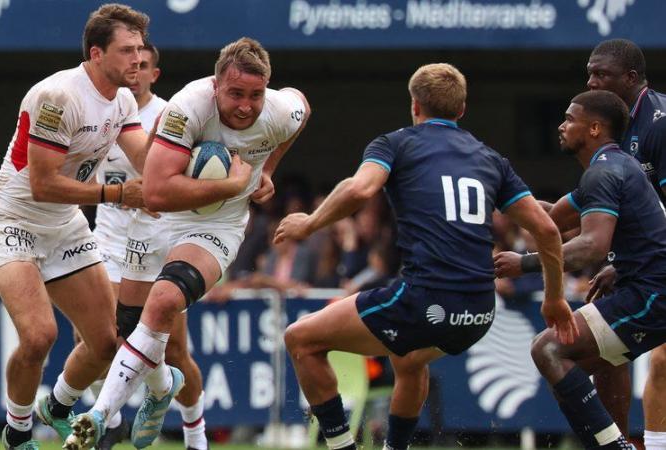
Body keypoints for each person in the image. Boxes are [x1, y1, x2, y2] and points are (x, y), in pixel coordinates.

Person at [272, 63, 570, 450]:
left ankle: (342, 447)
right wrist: (555, 298)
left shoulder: (396, 143)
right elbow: (547, 231)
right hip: (479, 311)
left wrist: (309, 224)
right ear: (462, 110)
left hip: (424, 299)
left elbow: (361, 190)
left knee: (301, 339)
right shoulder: (490, 159)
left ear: (414, 106)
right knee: (410, 361)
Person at [64, 36, 310, 450]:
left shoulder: (280, 111)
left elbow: (302, 110)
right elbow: (157, 193)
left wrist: (268, 168)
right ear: (215, 87)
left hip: (219, 226)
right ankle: (160, 393)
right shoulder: (186, 108)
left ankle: (98, 417)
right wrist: (232, 183)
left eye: (256, 95)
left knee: (165, 314)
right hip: (154, 221)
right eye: (236, 94)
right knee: (120, 331)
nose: (247, 106)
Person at [0, 4, 151, 450]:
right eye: (127, 51)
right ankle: (17, 433)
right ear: (96, 53)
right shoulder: (58, 96)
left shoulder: (124, 100)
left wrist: (218, 178)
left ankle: (58, 405)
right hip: (10, 221)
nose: (138, 60)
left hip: (63, 226)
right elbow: (43, 184)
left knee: (107, 344)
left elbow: (150, 162)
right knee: (39, 336)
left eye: (141, 50)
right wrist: (116, 194)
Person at [494, 90, 666, 450]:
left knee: (550, 350)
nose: (561, 126)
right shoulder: (615, 166)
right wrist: (501, 195)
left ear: (594, 128)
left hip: (652, 293)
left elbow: (592, 246)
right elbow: (552, 217)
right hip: (645, 287)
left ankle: (615, 447)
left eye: (569, 119)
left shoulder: (603, 173)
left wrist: (523, 264)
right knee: (599, 360)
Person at [78, 42, 208, 450]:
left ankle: (195, 436)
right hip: (107, 240)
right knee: (99, 343)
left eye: (145, 66)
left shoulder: (173, 117)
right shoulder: (99, 112)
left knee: (175, 352)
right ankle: (108, 424)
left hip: (159, 240)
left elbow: (193, 180)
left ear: (155, 73)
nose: (135, 71)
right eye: (130, 63)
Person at [584, 38, 666, 448]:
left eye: (602, 74)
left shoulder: (661, 123)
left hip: (656, 267)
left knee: (665, 360)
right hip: (646, 266)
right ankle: (617, 443)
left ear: (631, 79)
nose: (592, 81)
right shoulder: (613, 126)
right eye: (590, 73)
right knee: (605, 346)